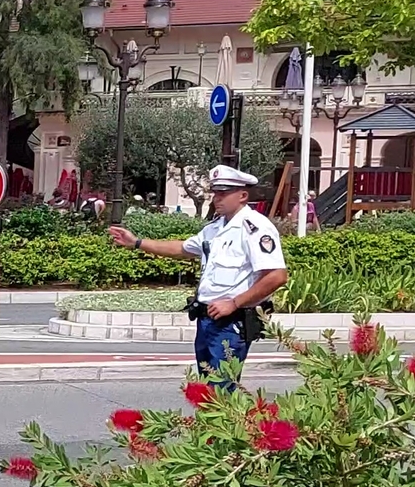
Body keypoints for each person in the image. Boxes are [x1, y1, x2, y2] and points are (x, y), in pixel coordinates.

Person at [108, 165, 290, 387]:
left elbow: (277, 275)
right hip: (207, 319)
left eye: (223, 193)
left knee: (221, 391)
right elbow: (183, 249)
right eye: (215, 193)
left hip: (232, 322)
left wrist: (234, 303)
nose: (216, 199)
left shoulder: (255, 228)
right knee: (206, 390)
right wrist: (137, 243)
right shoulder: (215, 227)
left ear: (243, 195)